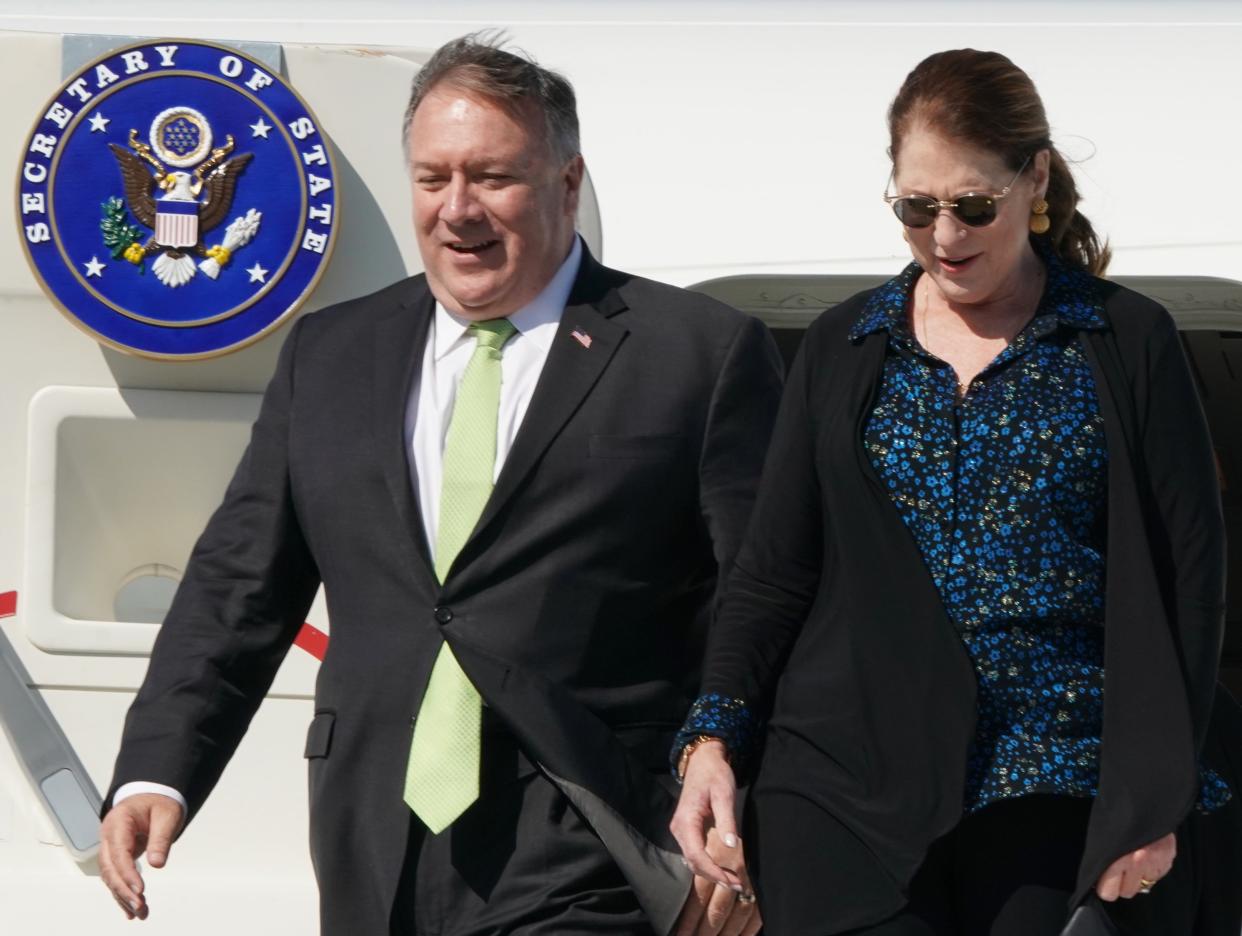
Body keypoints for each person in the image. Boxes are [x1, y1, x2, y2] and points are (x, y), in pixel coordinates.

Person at [97, 34, 782, 936]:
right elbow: (239, 583)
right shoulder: (331, 356)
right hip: (374, 837)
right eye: (432, 179)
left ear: (568, 185)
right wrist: (159, 768)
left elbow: (768, 600)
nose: (457, 210)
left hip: (592, 833)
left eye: (492, 177)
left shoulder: (698, 352)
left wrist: (739, 796)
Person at [669, 48, 1238, 935]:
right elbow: (773, 573)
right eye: (915, 209)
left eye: (974, 206)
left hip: (1057, 784)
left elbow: (1187, 586)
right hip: (842, 788)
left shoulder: (1126, 342)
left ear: (1035, 178)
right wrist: (713, 742)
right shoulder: (841, 348)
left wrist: (1156, 795)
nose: (945, 236)